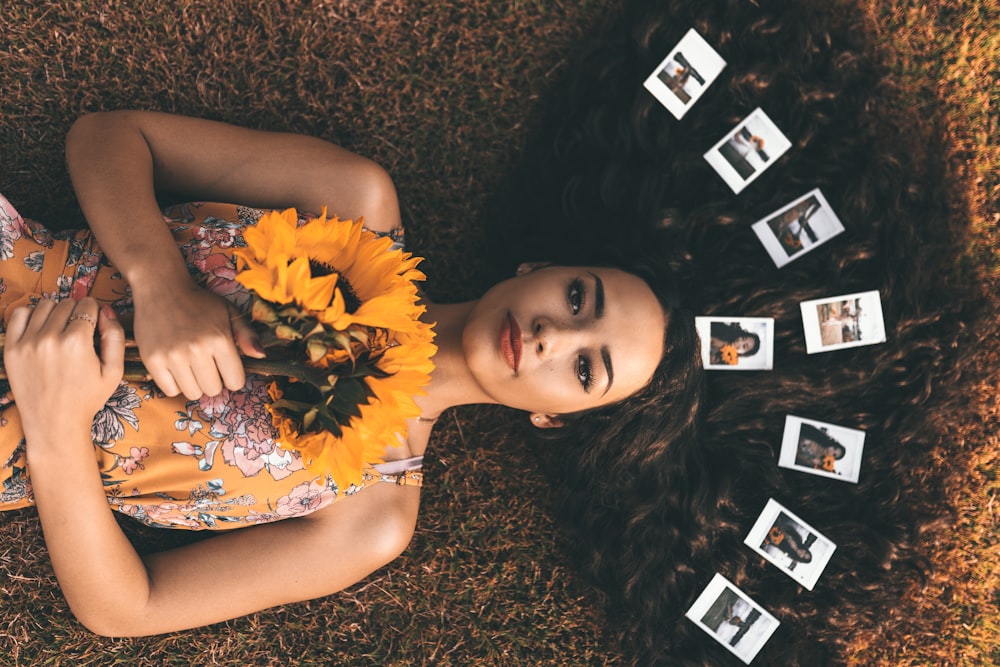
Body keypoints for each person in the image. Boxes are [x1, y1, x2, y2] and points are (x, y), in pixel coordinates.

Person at [0, 110, 699, 637]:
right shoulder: (352, 201)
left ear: (556, 418)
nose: (555, 333)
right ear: (539, 269)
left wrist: (56, 429)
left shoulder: (370, 519)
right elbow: (108, 136)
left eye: (586, 367)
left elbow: (126, 606)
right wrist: (160, 281)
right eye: (578, 297)